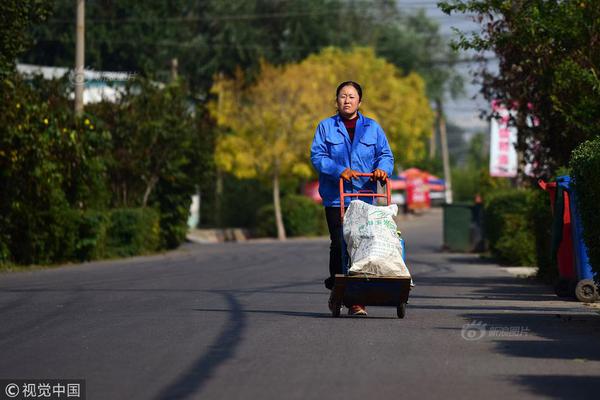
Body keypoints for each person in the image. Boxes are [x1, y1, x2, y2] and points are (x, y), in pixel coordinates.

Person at [310, 81, 394, 316]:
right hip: (336, 198)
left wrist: (382, 169)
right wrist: (339, 169)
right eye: (342, 96)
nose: (347, 100)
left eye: (352, 96)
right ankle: (338, 288)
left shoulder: (372, 128)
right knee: (339, 243)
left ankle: (357, 301)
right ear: (336, 100)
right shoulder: (326, 127)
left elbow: (385, 154)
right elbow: (317, 156)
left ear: (360, 101)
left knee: (362, 247)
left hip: (365, 197)